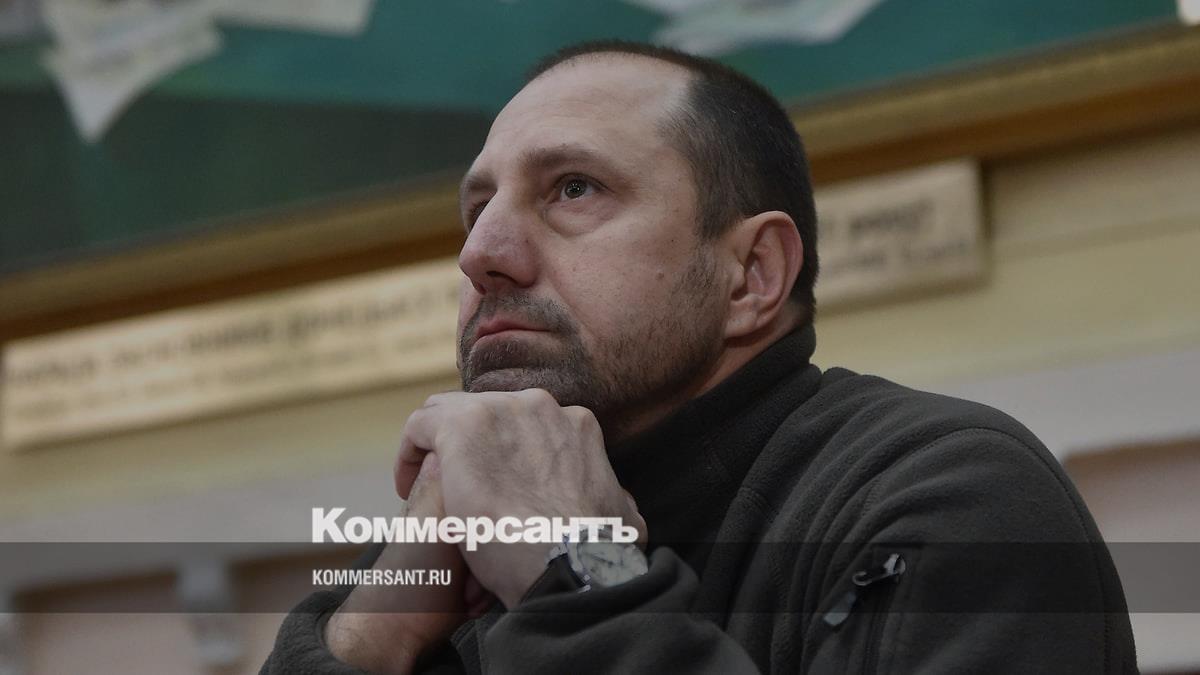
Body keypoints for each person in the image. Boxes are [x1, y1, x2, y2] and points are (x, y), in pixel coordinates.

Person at [261, 40, 1136, 674]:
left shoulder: (953, 492)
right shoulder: (455, 539)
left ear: (751, 275)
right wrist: (367, 640)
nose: (480, 252)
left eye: (573, 188)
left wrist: (576, 566)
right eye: (476, 209)